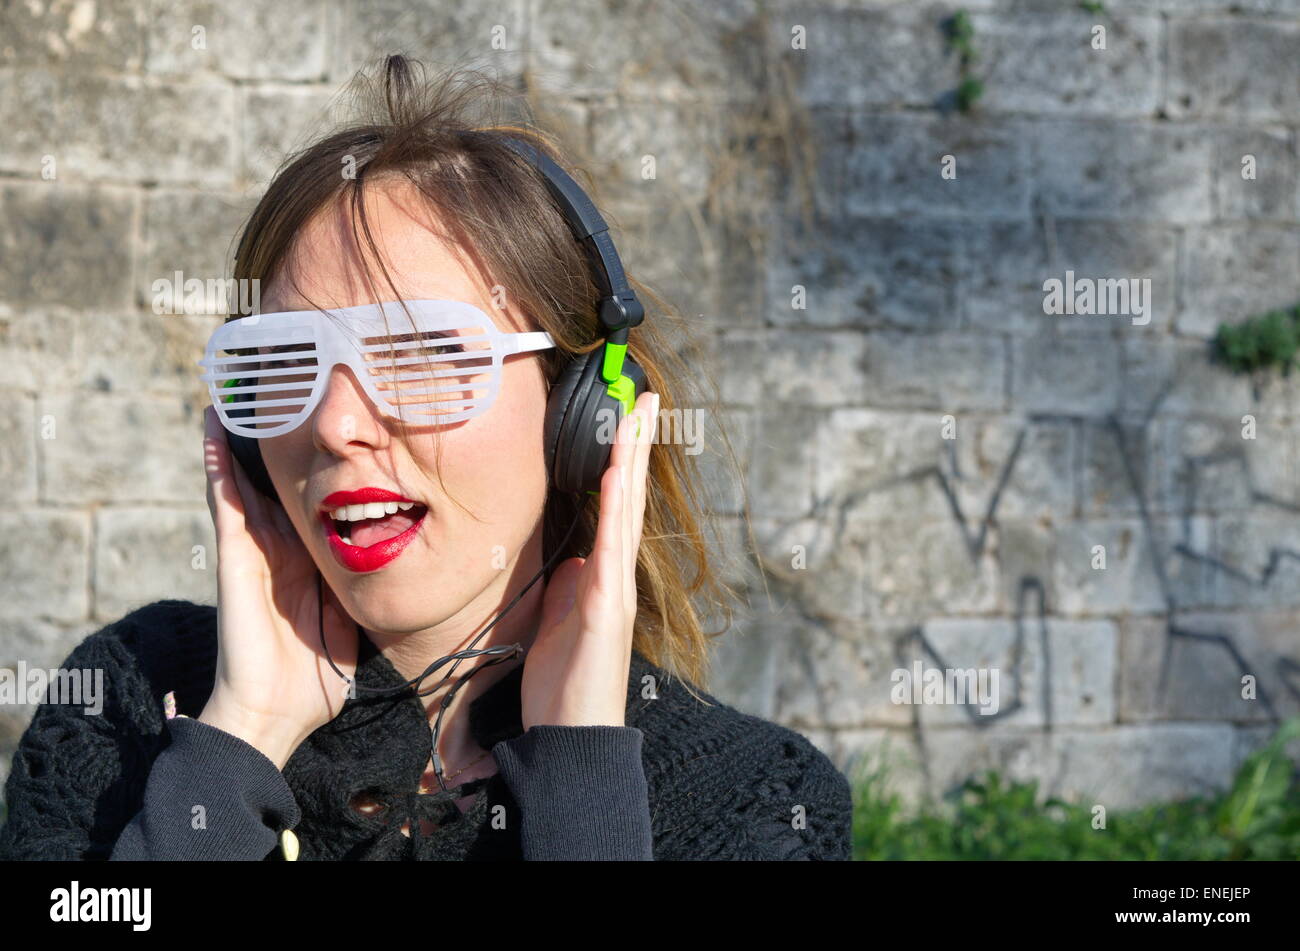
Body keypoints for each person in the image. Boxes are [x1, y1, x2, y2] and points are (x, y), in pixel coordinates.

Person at [0, 57, 853, 861]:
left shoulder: (755, 800)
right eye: (290, 359)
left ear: (583, 410)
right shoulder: (130, 701)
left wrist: (582, 790)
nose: (334, 425)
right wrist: (235, 750)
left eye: (417, 353)